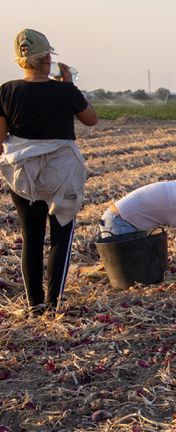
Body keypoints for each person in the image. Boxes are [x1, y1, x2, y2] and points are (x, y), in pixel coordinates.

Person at [0, 29, 98, 315]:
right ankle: (54, 303)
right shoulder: (64, 90)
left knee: (31, 237)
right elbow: (91, 120)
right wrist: (68, 85)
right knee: (60, 236)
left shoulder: (6, 90)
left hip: (24, 177)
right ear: (47, 59)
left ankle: (34, 304)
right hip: (61, 175)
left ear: (21, 60)